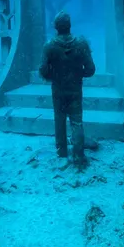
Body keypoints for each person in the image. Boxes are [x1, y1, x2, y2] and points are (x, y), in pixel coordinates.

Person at [38, 11, 96, 167]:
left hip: (58, 89)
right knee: (77, 121)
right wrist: (77, 74)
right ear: (69, 25)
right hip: (75, 88)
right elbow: (91, 69)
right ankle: (78, 155)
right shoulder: (81, 43)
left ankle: (62, 152)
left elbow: (43, 70)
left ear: (56, 27)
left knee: (59, 119)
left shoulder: (49, 46)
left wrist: (54, 76)